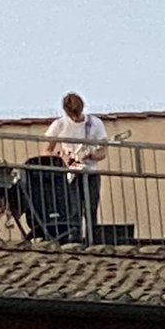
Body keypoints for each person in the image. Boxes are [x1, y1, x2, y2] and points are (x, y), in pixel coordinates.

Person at [43, 92, 108, 241]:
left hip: (91, 172)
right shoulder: (59, 124)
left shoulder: (95, 123)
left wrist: (90, 156)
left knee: (91, 209)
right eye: (72, 114)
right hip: (70, 174)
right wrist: (62, 157)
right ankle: (75, 239)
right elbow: (46, 150)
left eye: (77, 114)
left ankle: (92, 240)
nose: (74, 118)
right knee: (74, 209)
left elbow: (103, 152)